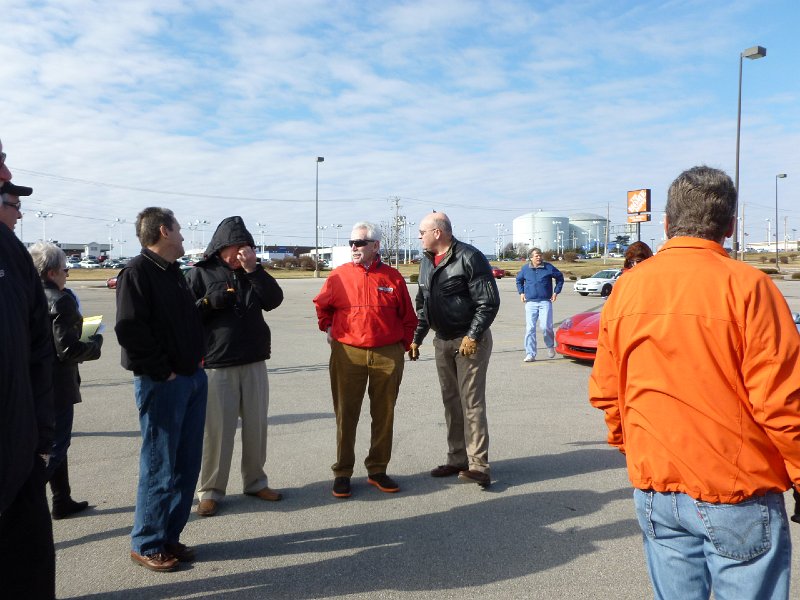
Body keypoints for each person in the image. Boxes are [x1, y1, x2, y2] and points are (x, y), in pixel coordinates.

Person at [589, 166, 800, 599]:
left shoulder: (627, 289)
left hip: (656, 489)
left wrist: (634, 446)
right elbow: (782, 403)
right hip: (736, 490)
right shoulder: (749, 287)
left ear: (666, 223)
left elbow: (607, 390)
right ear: (730, 226)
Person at [115, 207, 207, 572]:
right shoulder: (137, 273)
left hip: (191, 379)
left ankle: (169, 535)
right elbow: (130, 329)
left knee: (186, 464)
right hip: (163, 383)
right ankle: (147, 542)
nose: (184, 236)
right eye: (180, 230)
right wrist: (162, 371)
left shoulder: (173, 274)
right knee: (160, 464)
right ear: (165, 231)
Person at [186, 216, 284, 517]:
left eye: (247, 247)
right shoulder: (199, 274)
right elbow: (183, 317)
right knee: (217, 432)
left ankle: (255, 481)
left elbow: (274, 300)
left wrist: (254, 270)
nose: (242, 254)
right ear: (221, 247)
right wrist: (206, 303)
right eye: (237, 248)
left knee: (257, 427)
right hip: (218, 364)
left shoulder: (253, 272)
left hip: (254, 360)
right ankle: (210, 490)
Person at [313, 221, 417, 498]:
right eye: (351, 243)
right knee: (346, 413)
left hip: (387, 354)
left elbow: (409, 318)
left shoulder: (393, 277)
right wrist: (328, 326)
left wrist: (402, 346)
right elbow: (322, 305)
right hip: (348, 354)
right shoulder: (338, 276)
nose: (354, 248)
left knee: (384, 413)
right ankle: (343, 471)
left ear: (375, 246)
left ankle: (377, 469)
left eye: (360, 243)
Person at [0, 139, 56, 598]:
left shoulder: (11, 253)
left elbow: (40, 349)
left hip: (18, 447)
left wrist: (40, 435)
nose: (5, 170)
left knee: (29, 562)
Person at [410, 212, 499, 488]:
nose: (419, 236)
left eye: (422, 231)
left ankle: (479, 465)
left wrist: (473, 335)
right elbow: (423, 304)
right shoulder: (426, 262)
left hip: (468, 341)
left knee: (471, 403)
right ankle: (457, 458)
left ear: (438, 232)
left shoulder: (470, 257)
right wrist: (417, 337)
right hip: (442, 340)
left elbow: (488, 302)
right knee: (451, 402)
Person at [29, 242, 103, 520]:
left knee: (51, 443)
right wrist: (94, 341)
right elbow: (69, 349)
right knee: (57, 445)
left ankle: (62, 499)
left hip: (35, 382)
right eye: (65, 269)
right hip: (57, 384)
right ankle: (23, 498)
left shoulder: (27, 295)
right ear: (50, 272)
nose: (67, 275)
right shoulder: (61, 299)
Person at [515, 247, 564, 362]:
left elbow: (560, 278)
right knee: (530, 328)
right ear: (531, 257)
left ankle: (550, 346)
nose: (539, 257)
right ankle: (530, 353)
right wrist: (521, 293)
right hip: (530, 303)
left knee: (545, 327)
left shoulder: (548, 267)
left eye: (540, 255)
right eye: (536, 255)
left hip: (545, 302)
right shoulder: (525, 269)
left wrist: (556, 292)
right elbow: (519, 280)